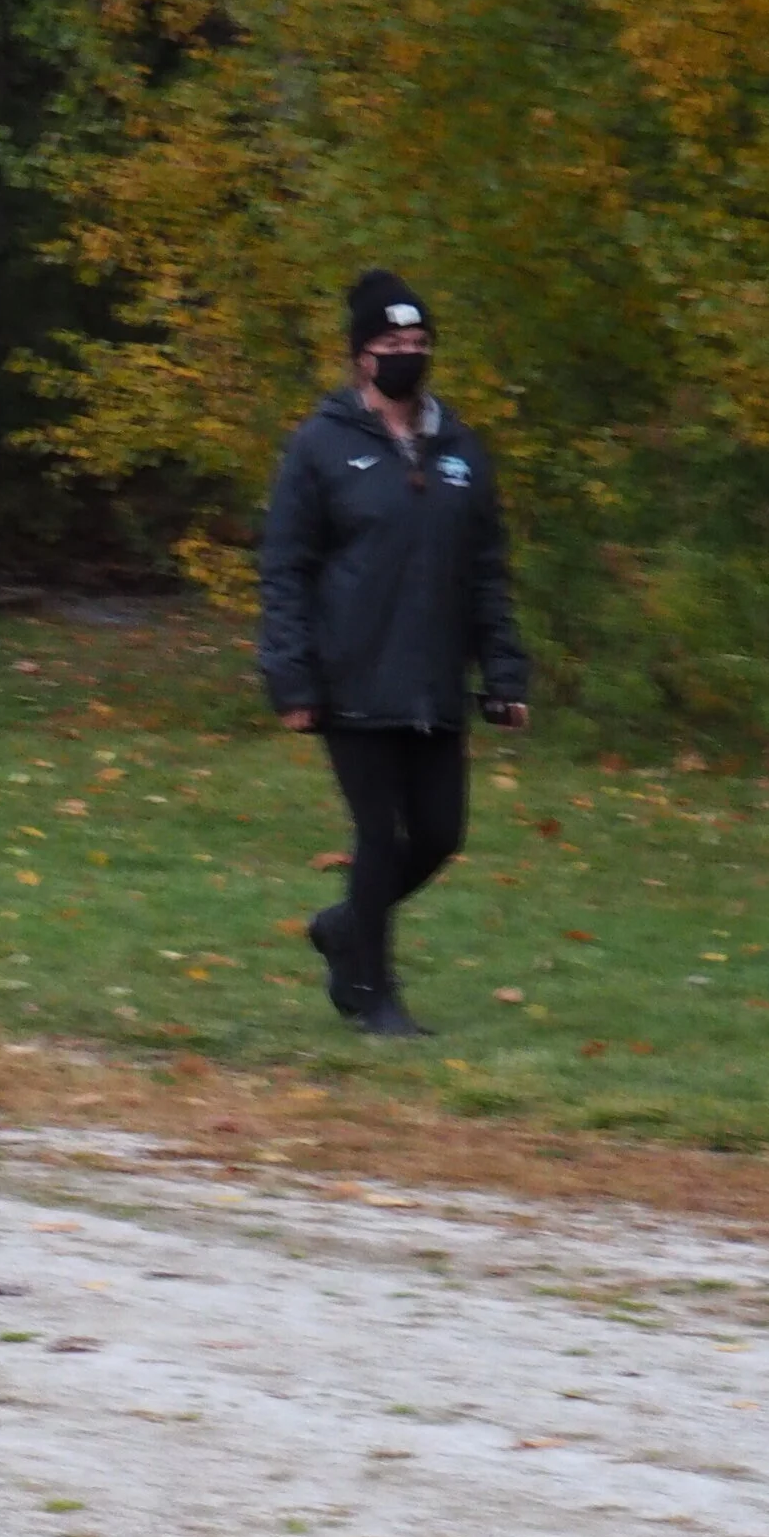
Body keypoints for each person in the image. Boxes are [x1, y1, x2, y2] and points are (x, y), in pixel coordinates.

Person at [257, 268, 529, 1038]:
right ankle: (371, 991)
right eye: (391, 344)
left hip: (433, 681)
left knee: (440, 835)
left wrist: (504, 672)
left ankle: (346, 925)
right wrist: (292, 675)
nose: (407, 355)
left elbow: (487, 573)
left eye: (418, 343)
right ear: (360, 358)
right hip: (353, 676)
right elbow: (285, 569)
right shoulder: (319, 447)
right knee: (381, 837)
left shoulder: (462, 453)